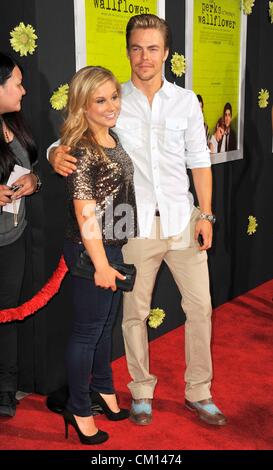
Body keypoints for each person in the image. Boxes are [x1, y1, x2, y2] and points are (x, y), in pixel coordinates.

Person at [48, 14, 227, 427]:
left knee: (200, 308)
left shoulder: (185, 101)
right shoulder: (115, 98)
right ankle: (141, 390)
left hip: (183, 220)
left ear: (166, 52)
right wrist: (54, 152)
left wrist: (206, 214)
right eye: (136, 48)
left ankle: (199, 391)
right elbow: (76, 131)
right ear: (128, 50)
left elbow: (200, 162)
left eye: (152, 48)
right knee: (134, 313)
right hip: (136, 226)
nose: (143, 57)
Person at [59, 65, 137, 445]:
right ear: (83, 105)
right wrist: (102, 263)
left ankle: (104, 390)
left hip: (113, 245)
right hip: (92, 251)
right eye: (100, 100)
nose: (111, 106)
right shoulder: (82, 149)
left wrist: (113, 254)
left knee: (105, 327)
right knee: (87, 333)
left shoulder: (112, 137)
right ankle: (78, 407)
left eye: (114, 96)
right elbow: (84, 211)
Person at [0, 52, 42, 417]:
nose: (24, 90)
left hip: (13, 240)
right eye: (16, 82)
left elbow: (34, 166)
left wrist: (34, 180)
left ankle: (6, 390)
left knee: (8, 317)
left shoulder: (14, 125)